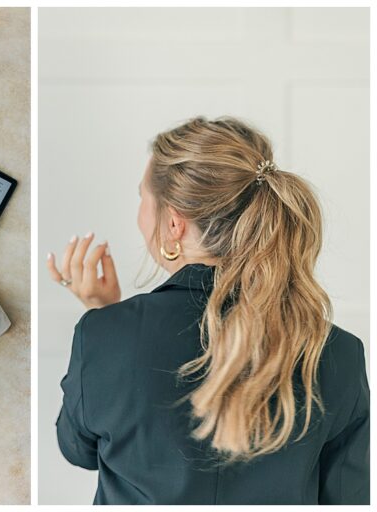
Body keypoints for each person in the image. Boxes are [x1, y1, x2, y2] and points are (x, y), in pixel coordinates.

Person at [47, 117, 368, 504]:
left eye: (142, 197)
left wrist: (103, 316)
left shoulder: (103, 336)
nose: (139, 214)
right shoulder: (338, 352)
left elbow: (78, 450)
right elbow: (347, 496)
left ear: (173, 223)